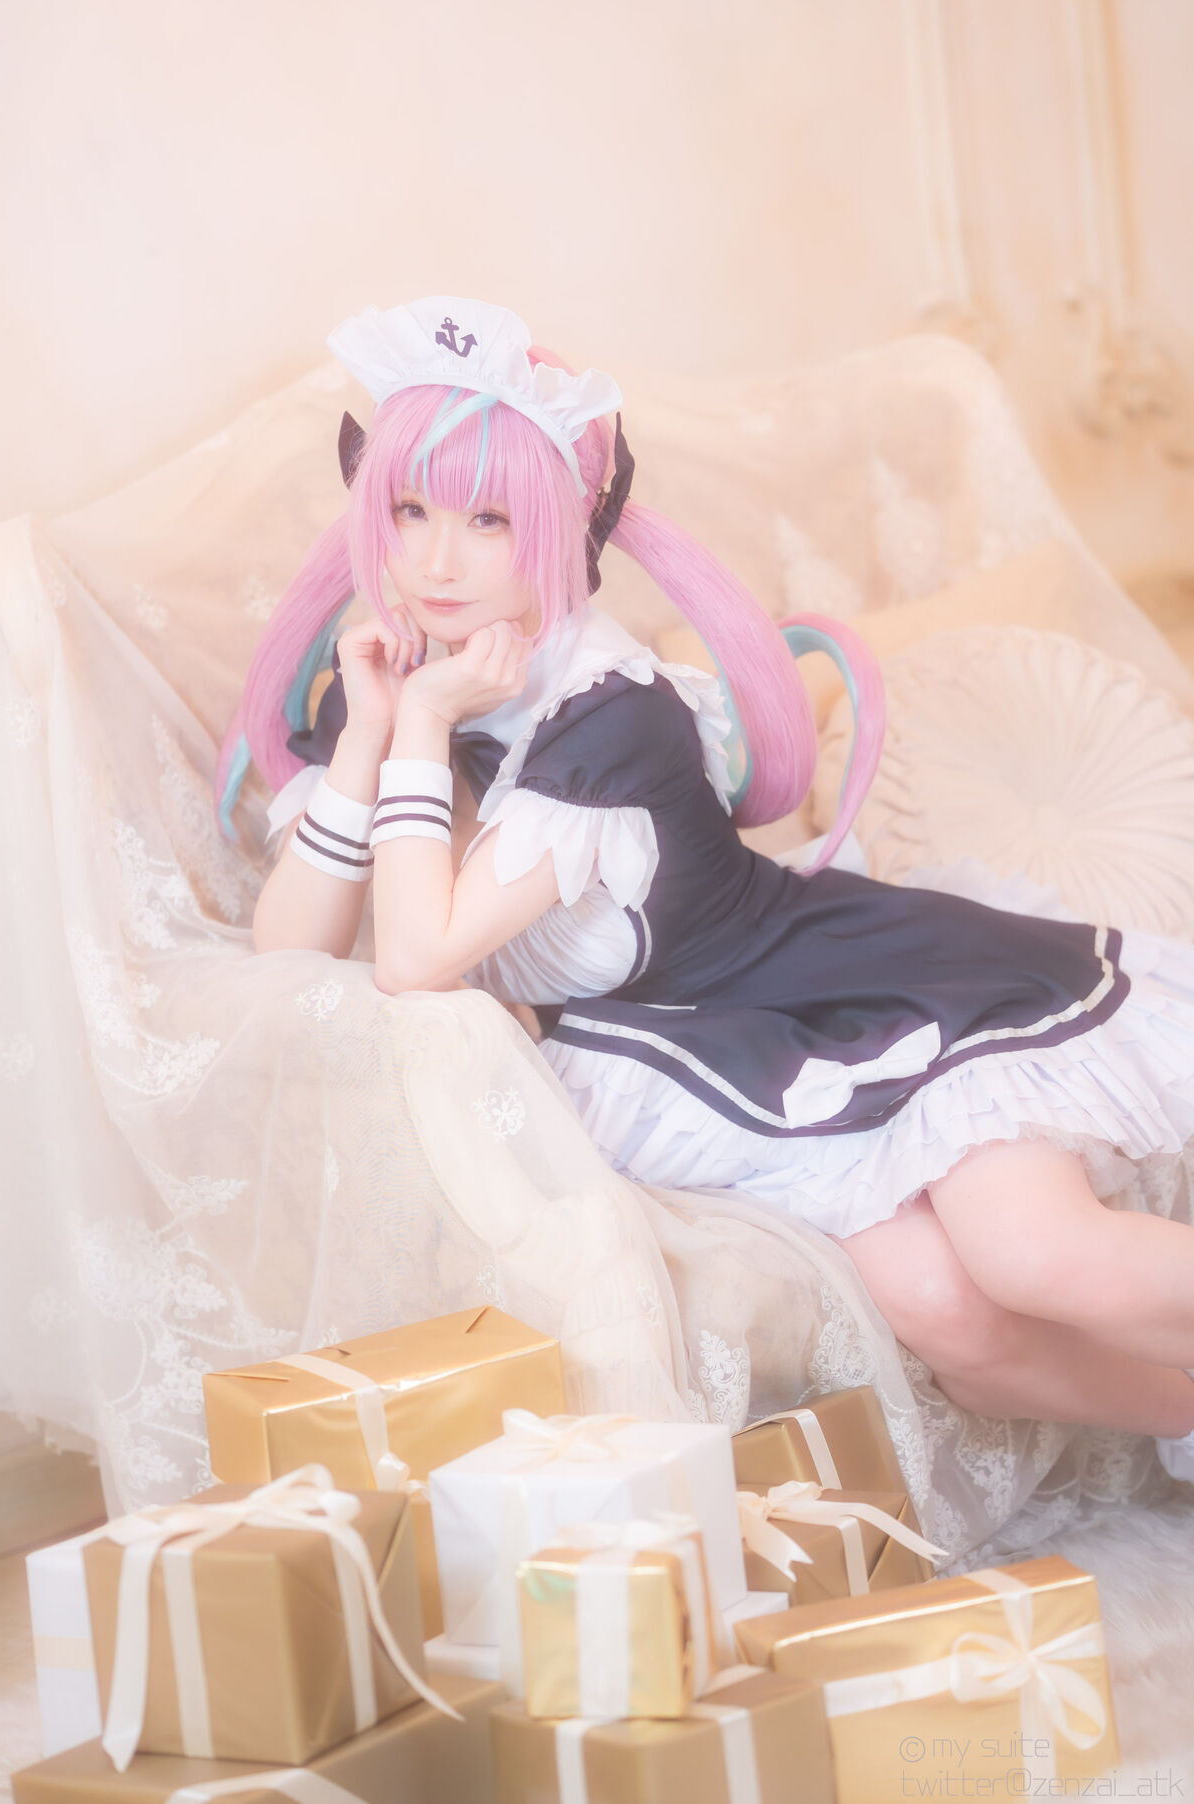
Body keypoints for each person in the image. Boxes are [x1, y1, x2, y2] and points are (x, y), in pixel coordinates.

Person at [219, 294, 1194, 1484]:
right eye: (410, 509)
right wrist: (376, 730)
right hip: (707, 1052)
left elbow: (418, 957)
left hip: (843, 984)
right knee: (951, 1317)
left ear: (553, 526)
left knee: (1037, 1256)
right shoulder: (401, 677)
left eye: (485, 518)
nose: (433, 561)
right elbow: (289, 958)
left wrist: (421, 723)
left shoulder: (610, 716)